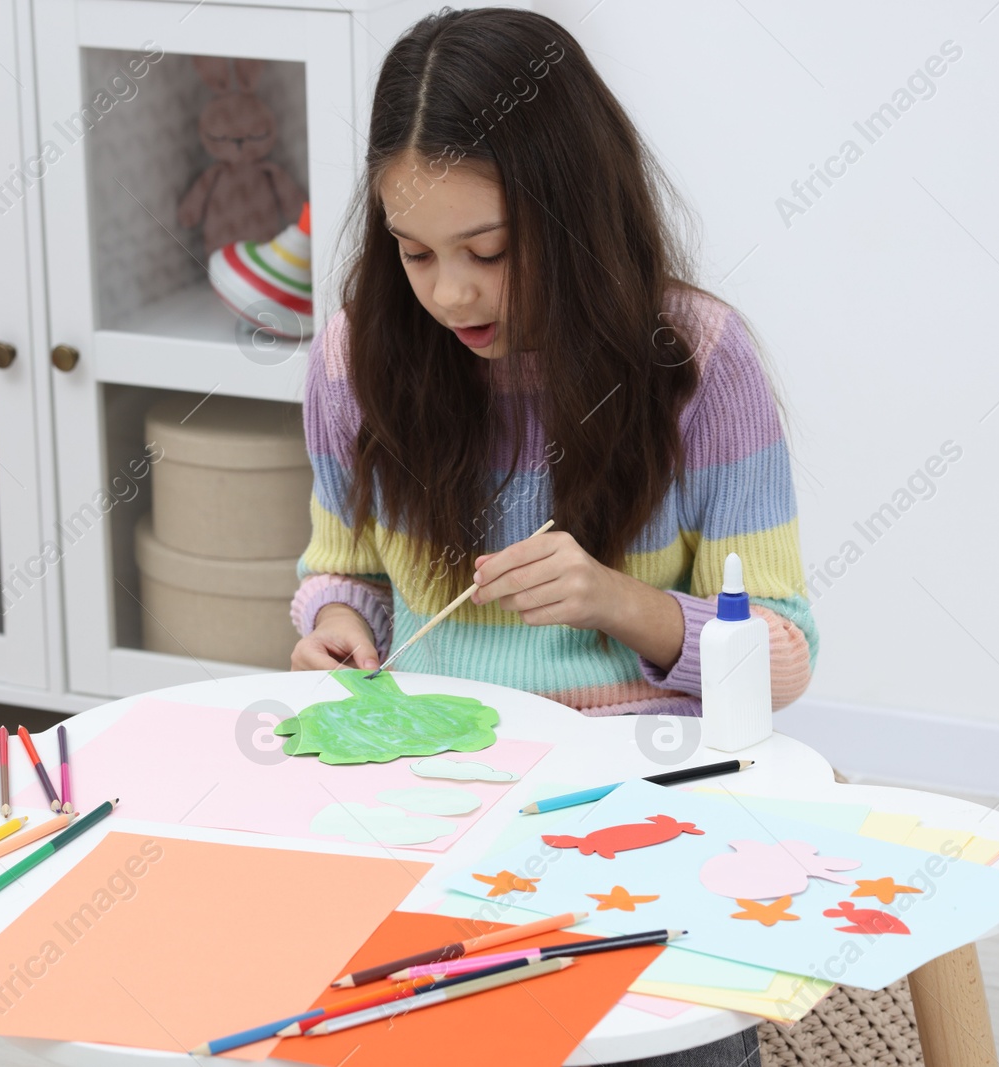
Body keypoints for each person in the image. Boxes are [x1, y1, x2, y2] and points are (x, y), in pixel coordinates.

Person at [289, 9, 814, 1063]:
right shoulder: (358, 355)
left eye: (487, 251)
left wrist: (619, 601)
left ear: (575, 216)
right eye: (415, 253)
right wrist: (335, 616)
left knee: (663, 1033)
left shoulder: (700, 364)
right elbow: (334, 565)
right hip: (432, 785)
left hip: (640, 788)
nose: (449, 293)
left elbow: (784, 652)